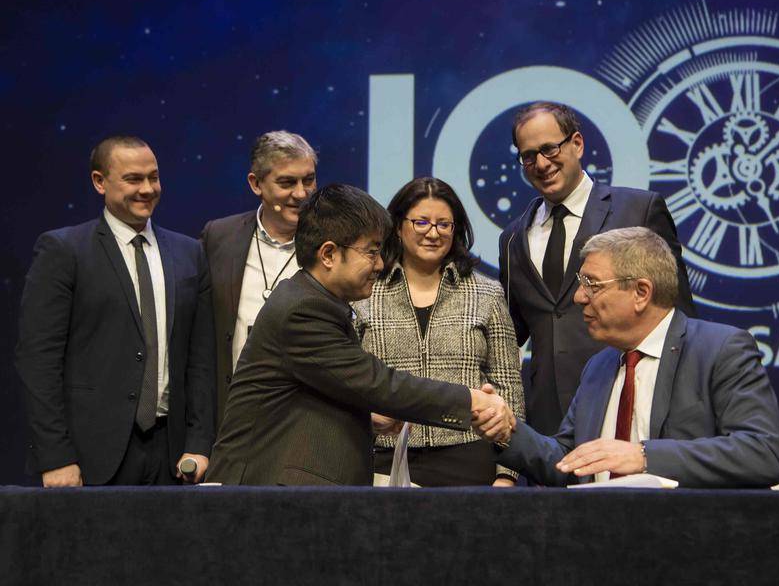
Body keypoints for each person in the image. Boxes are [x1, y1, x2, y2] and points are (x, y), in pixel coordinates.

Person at [206, 183, 515, 486]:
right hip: (265, 492)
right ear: (328, 254)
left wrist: (365, 417)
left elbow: (317, 394)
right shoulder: (304, 310)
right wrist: (470, 400)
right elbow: (378, 384)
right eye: (370, 252)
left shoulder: (315, 300)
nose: (380, 264)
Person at [497, 227, 779, 488]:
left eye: (592, 284)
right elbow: (568, 462)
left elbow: (762, 452)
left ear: (641, 292)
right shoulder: (599, 367)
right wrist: (507, 430)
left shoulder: (720, 350)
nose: (579, 297)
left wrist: (644, 455)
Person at [16, 135, 216, 486]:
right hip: (89, 455)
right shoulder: (64, 250)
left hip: (173, 456)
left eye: (153, 177)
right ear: (99, 182)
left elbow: (200, 359)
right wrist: (56, 456)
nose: (148, 189)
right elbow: (38, 360)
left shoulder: (189, 253)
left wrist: (199, 443)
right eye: (133, 179)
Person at [499, 101, 697, 437]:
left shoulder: (639, 209)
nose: (541, 164)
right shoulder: (513, 237)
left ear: (577, 143)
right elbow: (508, 337)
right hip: (548, 422)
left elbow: (679, 316)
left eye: (549, 148)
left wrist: (683, 404)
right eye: (528, 156)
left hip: (631, 404)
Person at [354, 177, 525, 487]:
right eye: (421, 222)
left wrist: (507, 474)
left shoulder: (487, 293)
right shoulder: (365, 293)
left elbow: (509, 388)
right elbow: (347, 383)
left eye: (444, 225)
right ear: (397, 226)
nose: (433, 233)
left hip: (469, 459)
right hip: (383, 459)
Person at [200, 130, 317, 426]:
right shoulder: (218, 237)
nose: (301, 194)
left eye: (308, 180)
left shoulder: (331, 245)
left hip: (305, 417)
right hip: (230, 415)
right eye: (287, 182)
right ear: (256, 184)